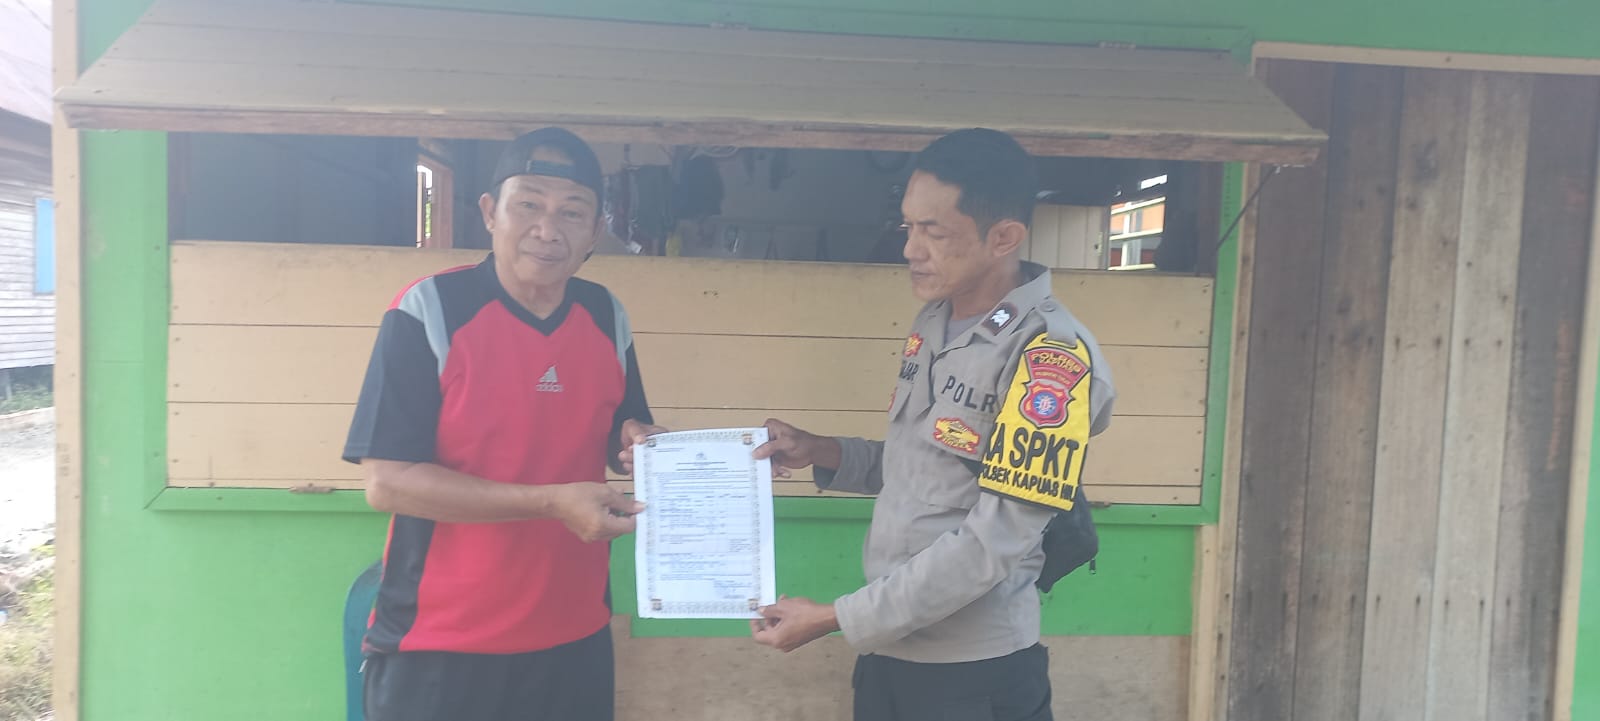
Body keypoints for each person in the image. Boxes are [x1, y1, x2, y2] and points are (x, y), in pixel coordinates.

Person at [750, 128, 1116, 721]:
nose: (909, 249)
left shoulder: (1050, 358)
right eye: (908, 227)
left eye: (933, 232)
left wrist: (838, 617)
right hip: (890, 652)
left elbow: (997, 540)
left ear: (1004, 237)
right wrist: (822, 450)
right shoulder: (937, 320)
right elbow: (926, 467)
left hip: (975, 674)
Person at [342, 127, 664, 721]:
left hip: (574, 638)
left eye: (573, 212)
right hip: (440, 646)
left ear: (595, 231)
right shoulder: (430, 309)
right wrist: (549, 503)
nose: (548, 229)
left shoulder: (605, 314)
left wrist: (642, 445)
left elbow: (623, 431)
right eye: (529, 205)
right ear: (490, 212)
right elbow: (388, 483)